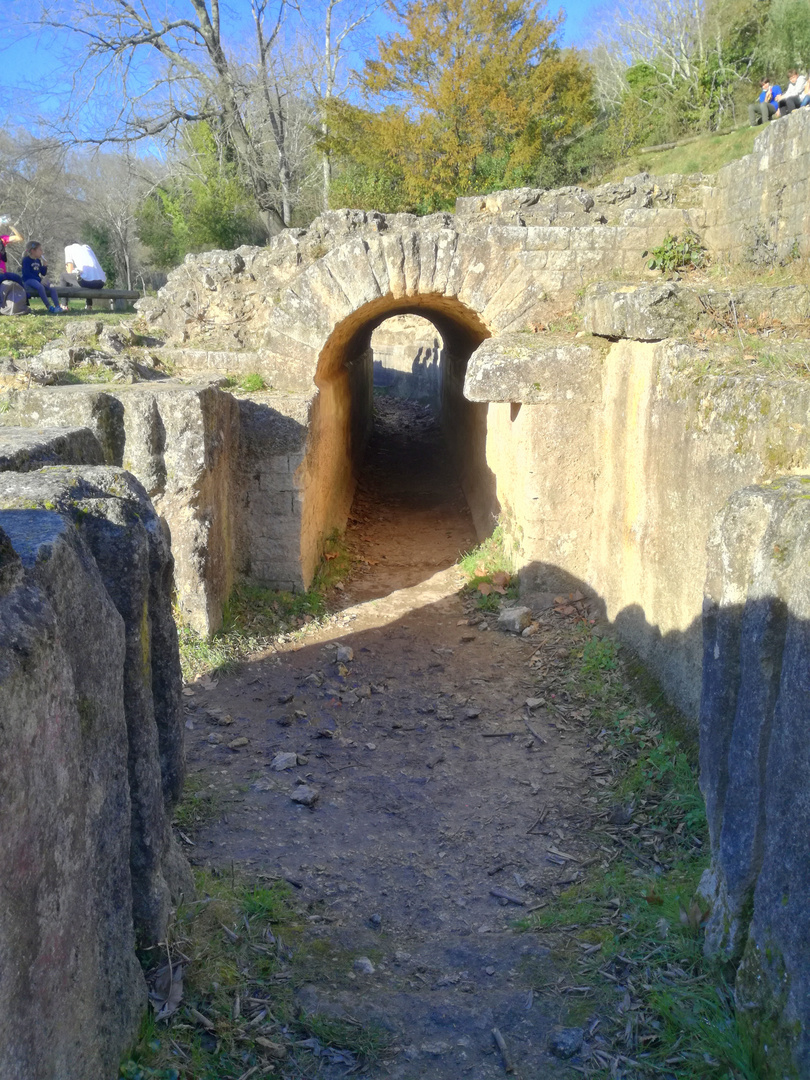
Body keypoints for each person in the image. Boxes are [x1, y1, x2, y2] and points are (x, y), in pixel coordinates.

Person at [21, 241, 66, 314]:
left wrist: (45, 265)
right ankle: (49, 307)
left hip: (37, 280)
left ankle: (57, 306)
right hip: (28, 280)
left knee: (52, 287)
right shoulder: (26, 260)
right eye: (40, 250)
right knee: (40, 287)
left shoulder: (38, 260)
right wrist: (40, 280)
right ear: (33, 251)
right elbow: (27, 274)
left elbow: (43, 273)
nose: (42, 252)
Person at [0, 219, 24, 287]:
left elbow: (20, 238)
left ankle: (26, 296)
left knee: (17, 278)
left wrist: (12, 226)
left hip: (4, 274)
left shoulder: (2, 240)